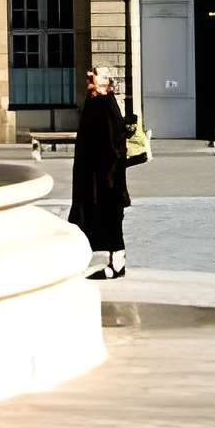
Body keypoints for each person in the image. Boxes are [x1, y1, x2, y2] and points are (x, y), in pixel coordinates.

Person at [69, 64, 129, 279]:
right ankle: (113, 262)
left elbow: (115, 141)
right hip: (95, 175)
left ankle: (116, 263)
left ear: (104, 83)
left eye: (95, 75)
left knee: (110, 216)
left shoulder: (104, 104)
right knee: (99, 216)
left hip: (105, 176)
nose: (89, 77)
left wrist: (110, 173)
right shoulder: (95, 102)